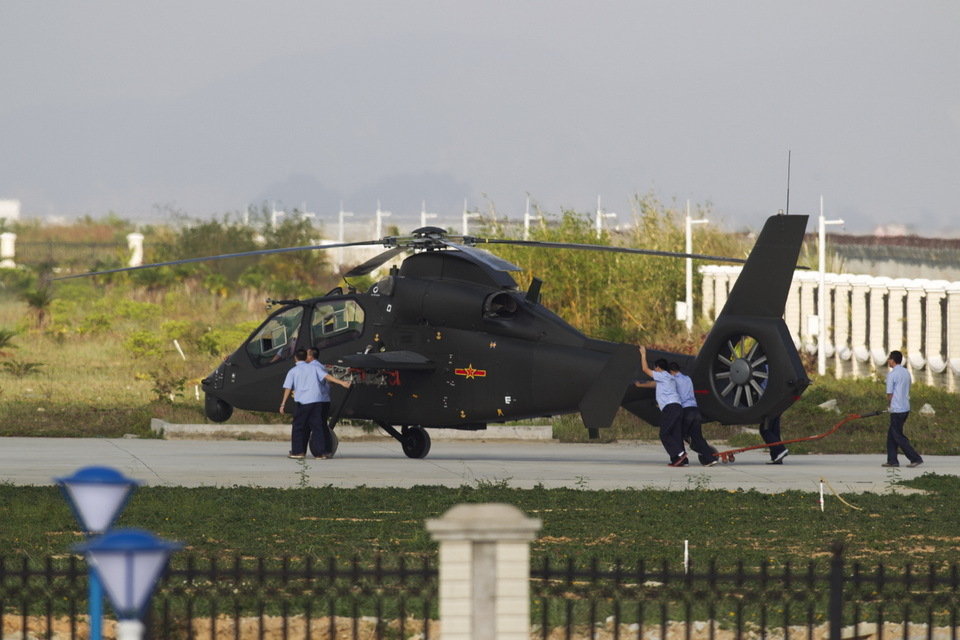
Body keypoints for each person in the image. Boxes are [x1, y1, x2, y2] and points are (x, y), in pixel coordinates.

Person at [280, 348, 350, 459]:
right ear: (305, 357)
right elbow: (327, 377)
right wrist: (342, 382)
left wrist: (283, 403)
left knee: (299, 427)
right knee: (318, 427)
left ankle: (298, 452)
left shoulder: (293, 371)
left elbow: (288, 387)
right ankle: (320, 453)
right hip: (317, 402)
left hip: (303, 402)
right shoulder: (315, 368)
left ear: (296, 358)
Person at [637, 346, 688, 466]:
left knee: (664, 434)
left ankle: (680, 454)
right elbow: (654, 384)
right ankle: (680, 460)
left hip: (670, 408)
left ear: (658, 368)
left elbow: (645, 369)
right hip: (677, 407)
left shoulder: (662, 375)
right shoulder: (669, 378)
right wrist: (640, 385)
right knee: (675, 434)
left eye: (655, 368)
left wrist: (643, 354)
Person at [669, 362, 719, 466]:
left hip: (686, 411)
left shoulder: (674, 380)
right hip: (695, 410)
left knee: (678, 435)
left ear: (671, 371)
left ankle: (682, 460)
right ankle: (710, 458)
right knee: (698, 436)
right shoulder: (687, 378)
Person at [883, 350, 923, 468]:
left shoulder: (892, 374)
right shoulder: (906, 372)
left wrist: (890, 405)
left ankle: (915, 458)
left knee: (898, 436)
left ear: (893, 360)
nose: (888, 361)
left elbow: (889, 394)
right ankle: (892, 460)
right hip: (905, 407)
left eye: (889, 359)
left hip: (896, 409)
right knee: (891, 435)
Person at [306, 347, 349, 457]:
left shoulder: (314, 367)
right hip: (324, 400)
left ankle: (322, 451)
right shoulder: (321, 365)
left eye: (306, 354)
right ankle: (327, 449)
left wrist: (342, 383)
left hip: (317, 401)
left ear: (310, 356)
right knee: (322, 426)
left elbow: (327, 377)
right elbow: (327, 381)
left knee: (318, 426)